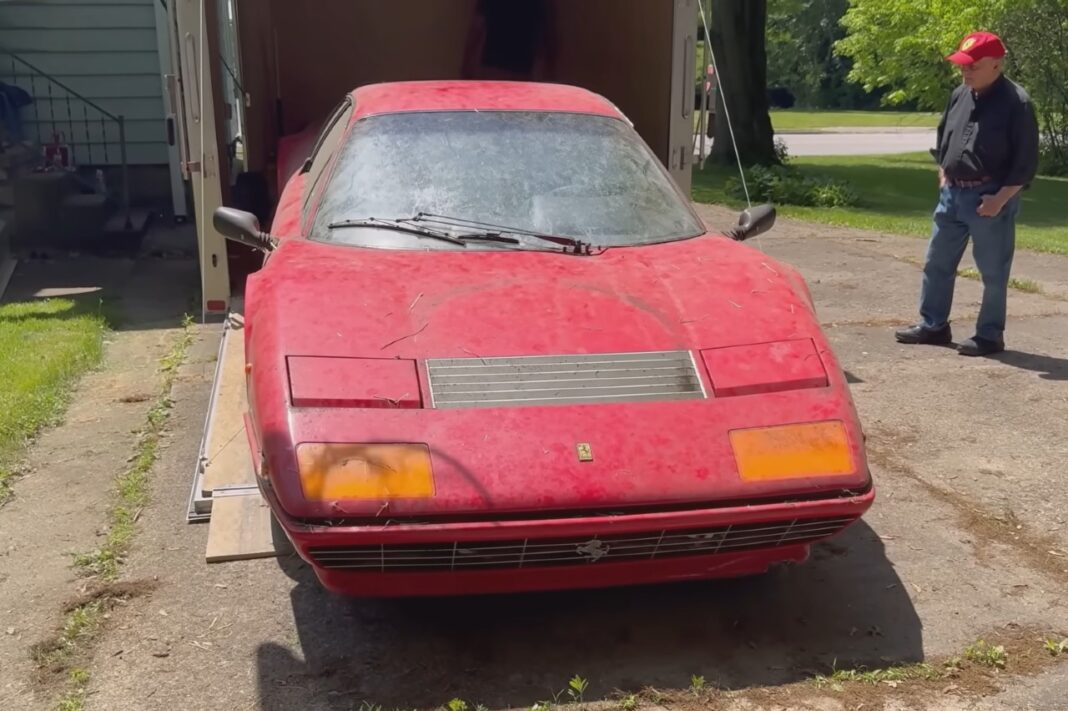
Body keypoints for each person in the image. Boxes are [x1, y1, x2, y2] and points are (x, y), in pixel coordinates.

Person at [895, 31, 1040, 357]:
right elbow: (945, 136)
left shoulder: (1018, 103)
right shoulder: (960, 94)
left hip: (990, 198)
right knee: (937, 263)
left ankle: (989, 336)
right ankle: (933, 326)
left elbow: (1026, 162)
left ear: (997, 65)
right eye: (963, 64)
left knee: (992, 272)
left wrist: (999, 200)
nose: (966, 71)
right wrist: (944, 173)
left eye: (974, 65)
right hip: (952, 196)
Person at [461, 0, 557, 82]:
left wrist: (467, 63)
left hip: (492, 69)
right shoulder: (542, 3)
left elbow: (476, 27)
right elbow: (550, 37)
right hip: (521, 72)